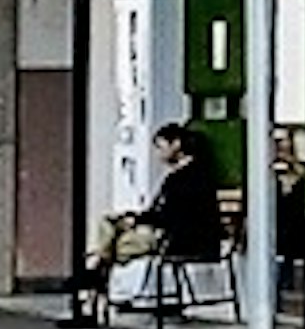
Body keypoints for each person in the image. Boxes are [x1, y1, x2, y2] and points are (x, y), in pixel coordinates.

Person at [80, 112, 227, 314]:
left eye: (161, 147)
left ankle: (92, 289)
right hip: (168, 232)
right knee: (108, 224)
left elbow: (173, 216)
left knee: (113, 248)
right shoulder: (178, 177)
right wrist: (135, 218)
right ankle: (94, 287)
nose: (158, 154)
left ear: (176, 144)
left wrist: (139, 220)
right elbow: (161, 212)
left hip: (180, 239)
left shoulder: (190, 179)